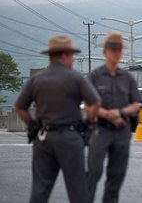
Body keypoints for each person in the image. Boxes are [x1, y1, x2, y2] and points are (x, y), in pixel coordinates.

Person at [15, 36, 100, 203]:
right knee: (78, 190)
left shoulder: (36, 79)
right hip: (70, 137)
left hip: (43, 138)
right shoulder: (76, 78)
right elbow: (95, 103)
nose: (74, 60)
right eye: (72, 56)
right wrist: (88, 124)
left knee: (40, 189)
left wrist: (33, 126)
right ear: (65, 55)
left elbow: (20, 108)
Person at [87, 32, 141, 203]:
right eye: (113, 49)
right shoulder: (94, 76)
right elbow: (88, 105)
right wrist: (107, 115)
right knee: (93, 172)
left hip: (122, 131)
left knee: (117, 174)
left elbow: (136, 104)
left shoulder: (128, 78)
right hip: (100, 130)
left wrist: (120, 113)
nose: (117, 53)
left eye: (119, 49)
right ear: (105, 51)